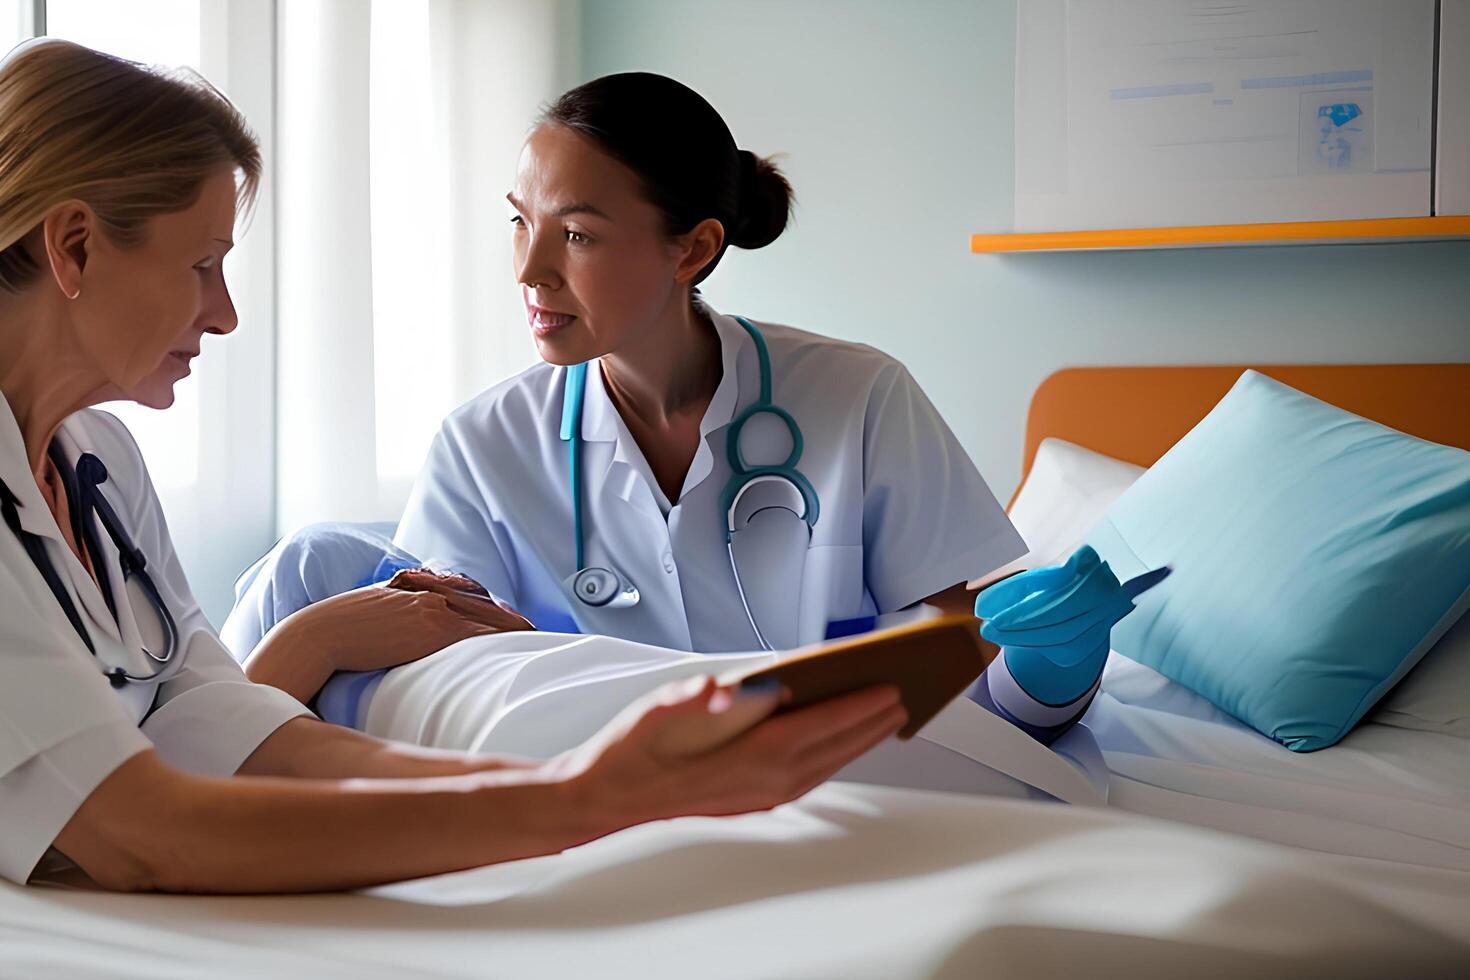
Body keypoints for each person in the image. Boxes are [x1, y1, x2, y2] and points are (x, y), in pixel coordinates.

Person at [0, 39, 906, 894]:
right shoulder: (486, 435)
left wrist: (569, 795)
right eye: (203, 264)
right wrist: (591, 799)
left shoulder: (99, 463)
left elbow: (234, 729)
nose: (226, 313)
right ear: (74, 245)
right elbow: (140, 833)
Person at [229, 73, 1023, 705]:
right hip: (593, 794)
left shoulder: (860, 397)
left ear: (692, 250)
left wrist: (1043, 671)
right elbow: (447, 675)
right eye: (519, 221)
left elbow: (964, 641)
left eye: (576, 235)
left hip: (840, 786)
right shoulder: (482, 443)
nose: (529, 270)